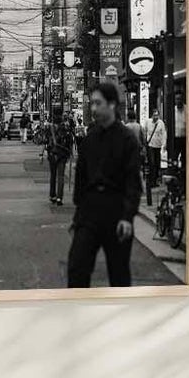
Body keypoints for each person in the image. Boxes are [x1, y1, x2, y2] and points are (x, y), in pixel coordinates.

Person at [66, 81, 142, 288]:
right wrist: (78, 217)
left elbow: (133, 182)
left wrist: (127, 217)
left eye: (98, 103)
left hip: (116, 212)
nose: (93, 108)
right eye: (92, 104)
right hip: (89, 213)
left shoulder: (127, 139)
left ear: (112, 105)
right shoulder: (90, 139)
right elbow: (81, 179)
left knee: (118, 274)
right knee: (77, 268)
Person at [46, 104, 74, 204]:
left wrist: (43, 152)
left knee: (53, 175)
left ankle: (52, 195)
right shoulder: (66, 125)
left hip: (52, 153)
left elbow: (45, 140)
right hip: (62, 153)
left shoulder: (50, 125)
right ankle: (59, 197)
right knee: (61, 176)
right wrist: (70, 151)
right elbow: (71, 139)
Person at [143, 111, 168, 204]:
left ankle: (156, 179)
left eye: (157, 115)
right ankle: (152, 182)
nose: (156, 117)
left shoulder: (161, 123)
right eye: (154, 115)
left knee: (157, 163)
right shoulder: (148, 122)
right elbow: (144, 131)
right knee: (152, 163)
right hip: (150, 145)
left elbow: (164, 134)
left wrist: (164, 144)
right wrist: (145, 141)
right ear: (151, 115)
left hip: (158, 146)